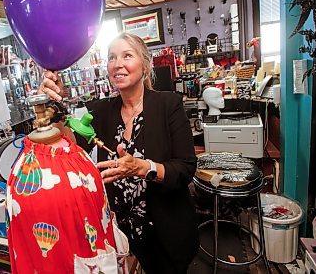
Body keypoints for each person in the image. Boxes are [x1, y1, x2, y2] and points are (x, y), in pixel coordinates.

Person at [38, 32, 199, 273]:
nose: (117, 64)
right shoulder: (102, 110)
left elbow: (186, 169)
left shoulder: (168, 105)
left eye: (127, 56)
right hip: (123, 233)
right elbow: (71, 145)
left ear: (144, 65)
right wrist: (55, 104)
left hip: (167, 230)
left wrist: (143, 168)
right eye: (112, 57)